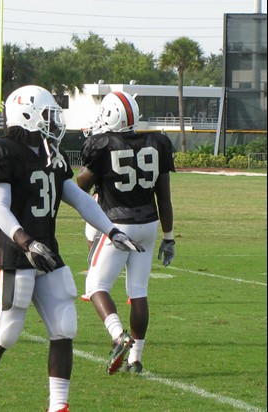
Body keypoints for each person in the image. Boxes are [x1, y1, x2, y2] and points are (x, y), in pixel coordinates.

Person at [0, 85, 143, 412]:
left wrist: (112, 230)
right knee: (6, 333)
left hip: (48, 252)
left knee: (64, 327)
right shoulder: (0, 151)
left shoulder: (49, 151)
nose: (53, 121)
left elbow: (76, 196)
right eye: (47, 114)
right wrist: (25, 241)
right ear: (27, 114)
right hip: (14, 254)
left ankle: (58, 406)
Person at [77, 91, 176, 374]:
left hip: (117, 225)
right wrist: (169, 237)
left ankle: (118, 336)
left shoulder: (103, 145)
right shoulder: (157, 142)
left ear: (112, 115)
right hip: (149, 224)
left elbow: (79, 185)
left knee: (96, 287)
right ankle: (136, 360)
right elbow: (164, 197)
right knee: (138, 292)